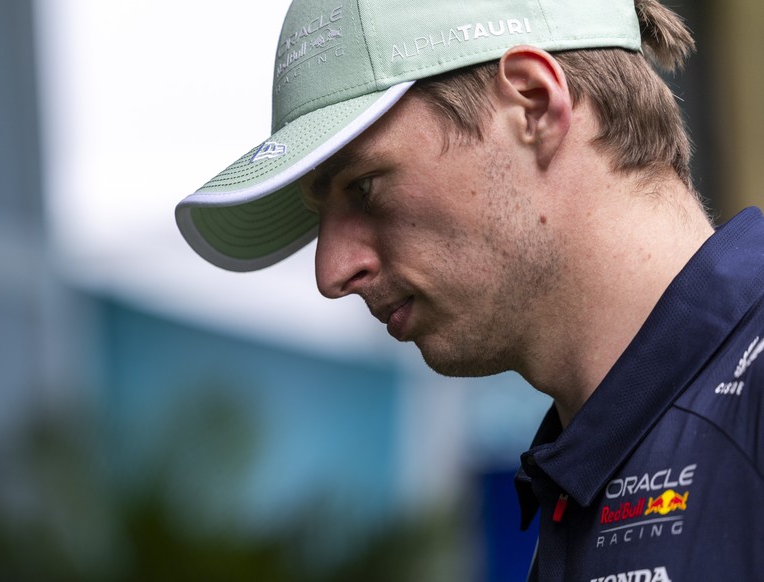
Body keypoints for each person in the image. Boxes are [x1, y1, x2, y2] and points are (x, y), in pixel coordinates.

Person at [176, 0, 764, 579]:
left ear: (533, 105)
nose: (331, 272)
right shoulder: (590, 463)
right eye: (319, 213)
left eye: (364, 186)